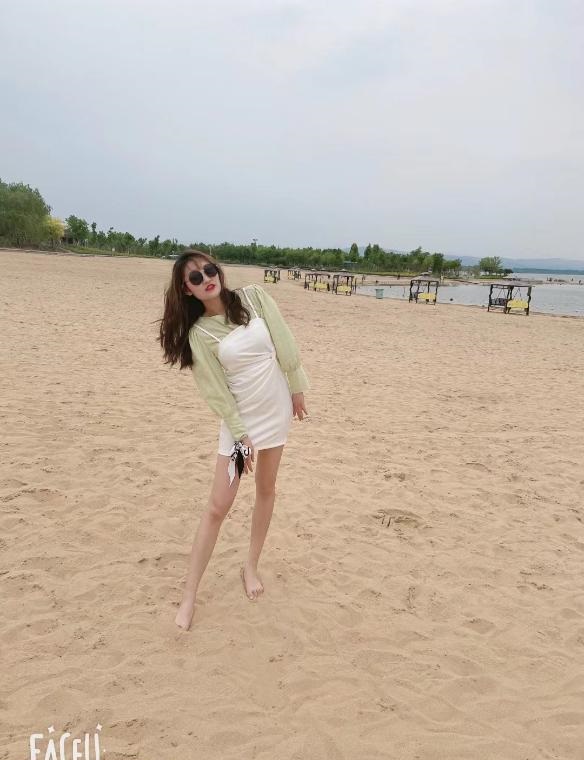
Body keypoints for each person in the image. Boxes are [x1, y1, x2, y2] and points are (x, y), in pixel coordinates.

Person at [158, 249, 310, 631]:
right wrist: (241, 435)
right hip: (241, 426)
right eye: (196, 277)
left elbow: (284, 342)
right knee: (218, 505)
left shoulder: (254, 297)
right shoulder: (200, 333)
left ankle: (250, 566)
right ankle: (189, 596)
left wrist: (297, 386)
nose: (207, 278)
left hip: (275, 412)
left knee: (267, 489)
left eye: (209, 269)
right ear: (187, 289)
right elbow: (216, 392)